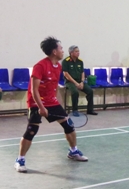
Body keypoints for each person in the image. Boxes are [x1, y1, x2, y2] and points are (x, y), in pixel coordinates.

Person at [15, 36, 88, 173]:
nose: (62, 51)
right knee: (32, 130)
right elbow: (33, 90)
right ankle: (20, 159)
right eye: (61, 48)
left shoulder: (58, 66)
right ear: (54, 51)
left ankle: (73, 151)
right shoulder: (40, 66)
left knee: (69, 125)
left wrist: (58, 103)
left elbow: (54, 87)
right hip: (36, 101)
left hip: (50, 100)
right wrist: (41, 108)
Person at [62, 45, 97, 116]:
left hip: (79, 81)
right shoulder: (66, 61)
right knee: (75, 92)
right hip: (70, 82)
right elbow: (66, 74)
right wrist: (76, 83)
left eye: (78, 51)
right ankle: (75, 111)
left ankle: (90, 110)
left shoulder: (80, 61)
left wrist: (82, 82)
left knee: (90, 91)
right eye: (76, 51)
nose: (78, 53)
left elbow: (82, 72)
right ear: (71, 53)